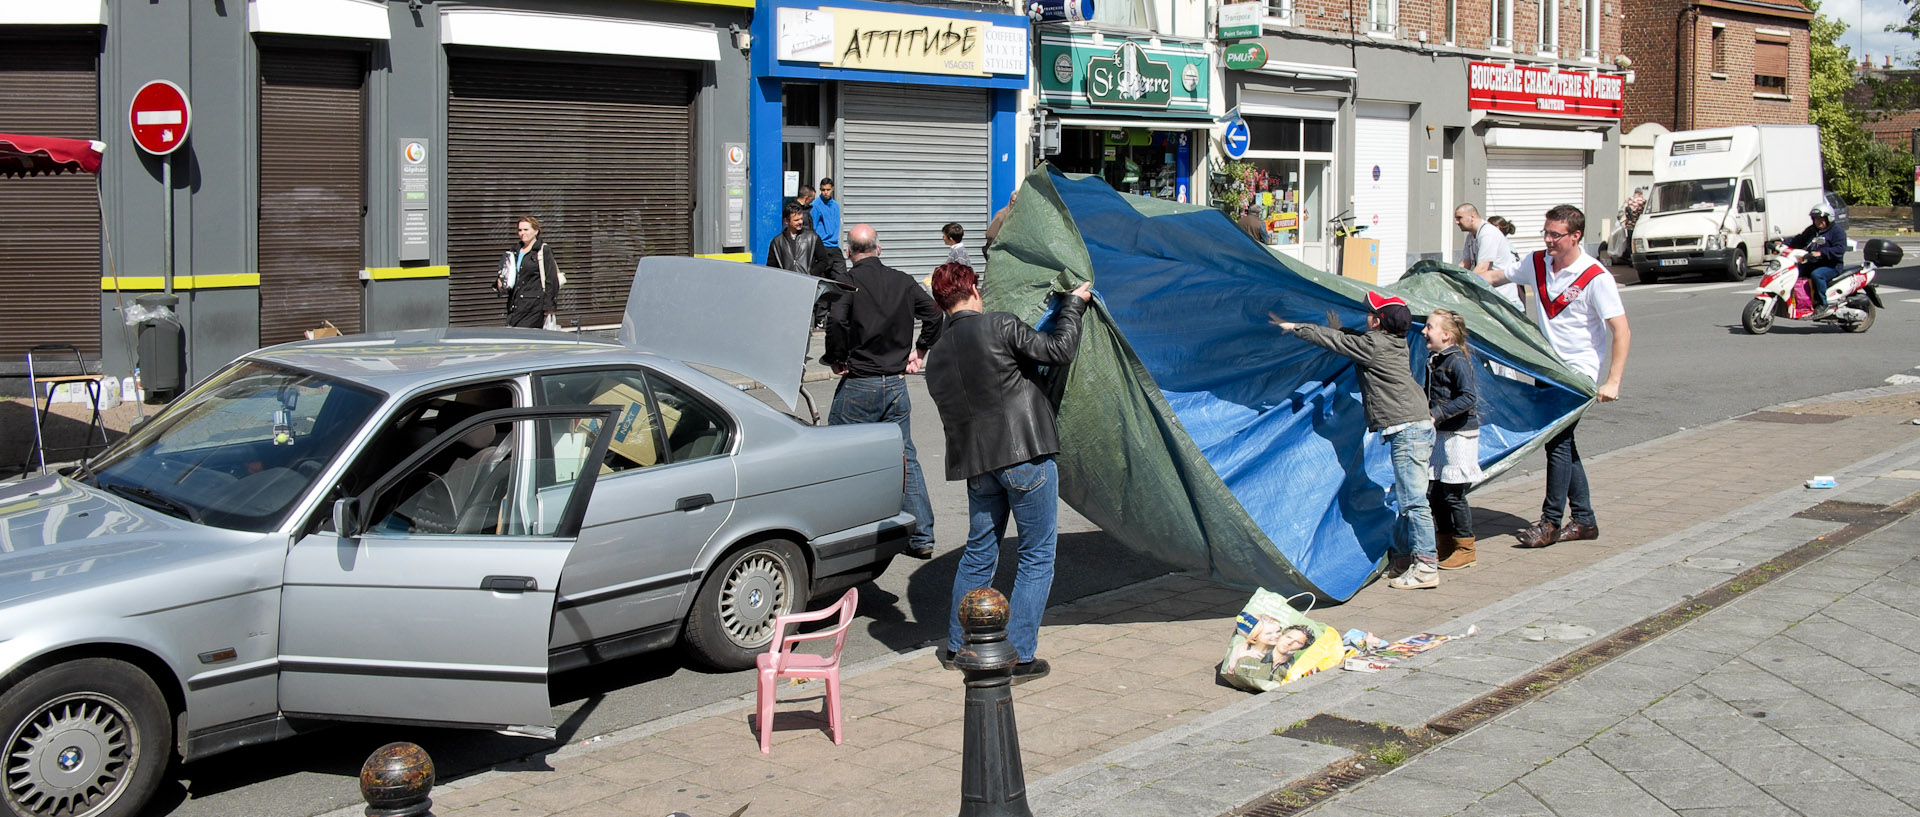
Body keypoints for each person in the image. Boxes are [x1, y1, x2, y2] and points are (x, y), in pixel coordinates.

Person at [926, 262, 1093, 684]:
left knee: (980, 553)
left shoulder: (937, 354)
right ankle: (1018, 655)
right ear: (974, 291)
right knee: (1037, 557)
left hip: (979, 467)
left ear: (940, 303)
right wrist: (1073, 305)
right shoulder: (998, 325)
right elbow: (1059, 351)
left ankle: (956, 646)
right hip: (1026, 457)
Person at [1472, 204, 1631, 549]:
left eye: (1556, 235)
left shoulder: (1595, 276)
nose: (1549, 240)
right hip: (1547, 367)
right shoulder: (1538, 262)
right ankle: (1585, 520)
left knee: (1557, 441)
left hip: (1578, 373)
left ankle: (1550, 523)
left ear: (1576, 236)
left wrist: (1613, 380)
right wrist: (1463, 278)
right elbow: (1500, 276)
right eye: (1546, 233)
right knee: (1563, 443)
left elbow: (1621, 330)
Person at [1271, 292, 1439, 590]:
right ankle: (1403, 557)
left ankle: (1427, 567)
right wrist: (1341, 332)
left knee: (1413, 500)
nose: (1366, 317)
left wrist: (1296, 327)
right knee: (1405, 499)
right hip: (1412, 425)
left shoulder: (1376, 345)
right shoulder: (1392, 341)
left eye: (1370, 314)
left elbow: (1343, 344)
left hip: (1409, 428)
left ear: (1377, 321)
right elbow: (1354, 342)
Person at [824, 224, 941, 560]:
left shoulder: (848, 283)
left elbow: (836, 321)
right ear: (879, 248)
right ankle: (921, 536)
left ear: (849, 251)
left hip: (860, 380)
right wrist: (920, 350)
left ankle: (840, 533)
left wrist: (836, 358)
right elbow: (934, 313)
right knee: (905, 456)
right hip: (894, 383)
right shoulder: (902, 281)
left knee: (837, 454)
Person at [1424, 309, 1483, 570]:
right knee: (1436, 491)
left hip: (1459, 433)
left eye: (1429, 327)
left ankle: (1465, 547)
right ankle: (1445, 542)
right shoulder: (1435, 359)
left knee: (1453, 493)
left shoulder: (1456, 361)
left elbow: (1468, 398)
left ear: (1446, 335)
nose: (1424, 331)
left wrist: (1437, 413)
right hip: (1443, 433)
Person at [766, 204, 838, 326]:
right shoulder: (777, 242)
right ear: (786, 221)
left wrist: (810, 274)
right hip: (785, 292)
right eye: (796, 220)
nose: (800, 222)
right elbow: (771, 268)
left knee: (805, 326)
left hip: (806, 289)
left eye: (801, 218)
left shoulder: (813, 237)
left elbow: (823, 261)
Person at [496, 215, 560, 329]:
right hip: (515, 305)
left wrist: (549, 307)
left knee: (526, 337)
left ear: (536, 231)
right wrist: (500, 284)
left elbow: (551, 279)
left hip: (534, 306)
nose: (522, 233)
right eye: (520, 230)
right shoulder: (514, 251)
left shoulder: (542, 250)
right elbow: (509, 274)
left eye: (526, 230)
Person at [1784, 202, 1847, 310]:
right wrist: (1783, 242)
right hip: (1813, 263)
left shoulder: (1837, 231)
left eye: (1821, 218)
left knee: (1817, 275)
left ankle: (1822, 303)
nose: (1818, 221)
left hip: (1832, 266)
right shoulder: (1811, 230)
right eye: (1816, 219)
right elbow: (1799, 240)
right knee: (1794, 272)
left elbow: (1840, 249)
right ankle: (1799, 300)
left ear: (1829, 218)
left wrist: (1821, 253)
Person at [1455, 204, 1520, 305]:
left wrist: (1462, 288)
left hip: (1501, 299)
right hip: (1487, 296)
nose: (1456, 222)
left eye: (1459, 218)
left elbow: (1482, 268)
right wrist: (1450, 277)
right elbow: (1465, 263)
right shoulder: (1471, 236)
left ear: (1472, 217)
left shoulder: (1488, 233)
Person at [811, 177, 845, 277]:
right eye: (823, 190)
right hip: (822, 246)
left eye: (828, 190)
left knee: (842, 277)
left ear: (832, 189)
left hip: (834, 246)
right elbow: (813, 226)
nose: (825, 192)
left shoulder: (835, 205)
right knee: (822, 277)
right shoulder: (816, 205)